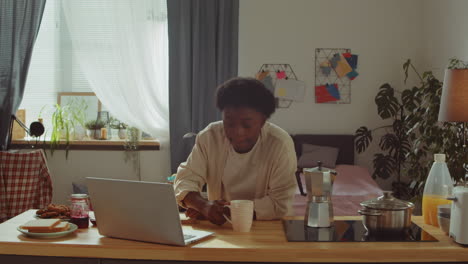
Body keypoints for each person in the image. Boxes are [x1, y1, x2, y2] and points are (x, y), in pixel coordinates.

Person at [174, 77, 297, 225]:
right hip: (222, 229)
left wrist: (224, 211)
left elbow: (281, 203)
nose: (237, 132)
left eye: (247, 125)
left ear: (263, 122)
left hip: (267, 227)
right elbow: (186, 178)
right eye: (229, 122)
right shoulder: (210, 136)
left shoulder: (279, 144)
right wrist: (203, 205)